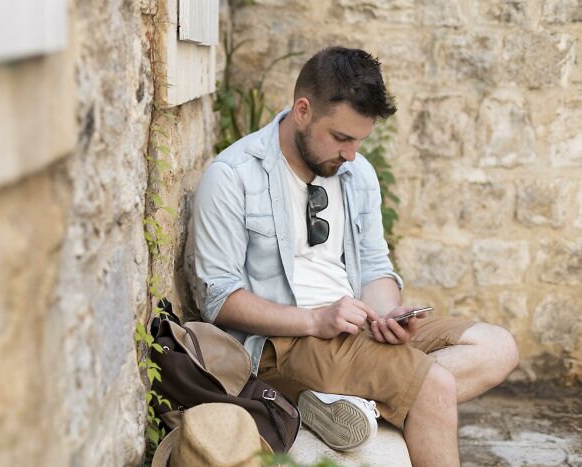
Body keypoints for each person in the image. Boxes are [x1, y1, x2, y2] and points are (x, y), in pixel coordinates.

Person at [189, 46, 519, 467]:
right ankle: (377, 394)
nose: (350, 153)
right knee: (432, 386)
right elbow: (219, 300)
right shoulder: (232, 176)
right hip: (288, 342)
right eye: (342, 138)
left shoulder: (356, 173)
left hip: (356, 328)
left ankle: (355, 402)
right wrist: (315, 319)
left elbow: (375, 266)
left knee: (497, 346)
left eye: (360, 140)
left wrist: (386, 316)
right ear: (303, 110)